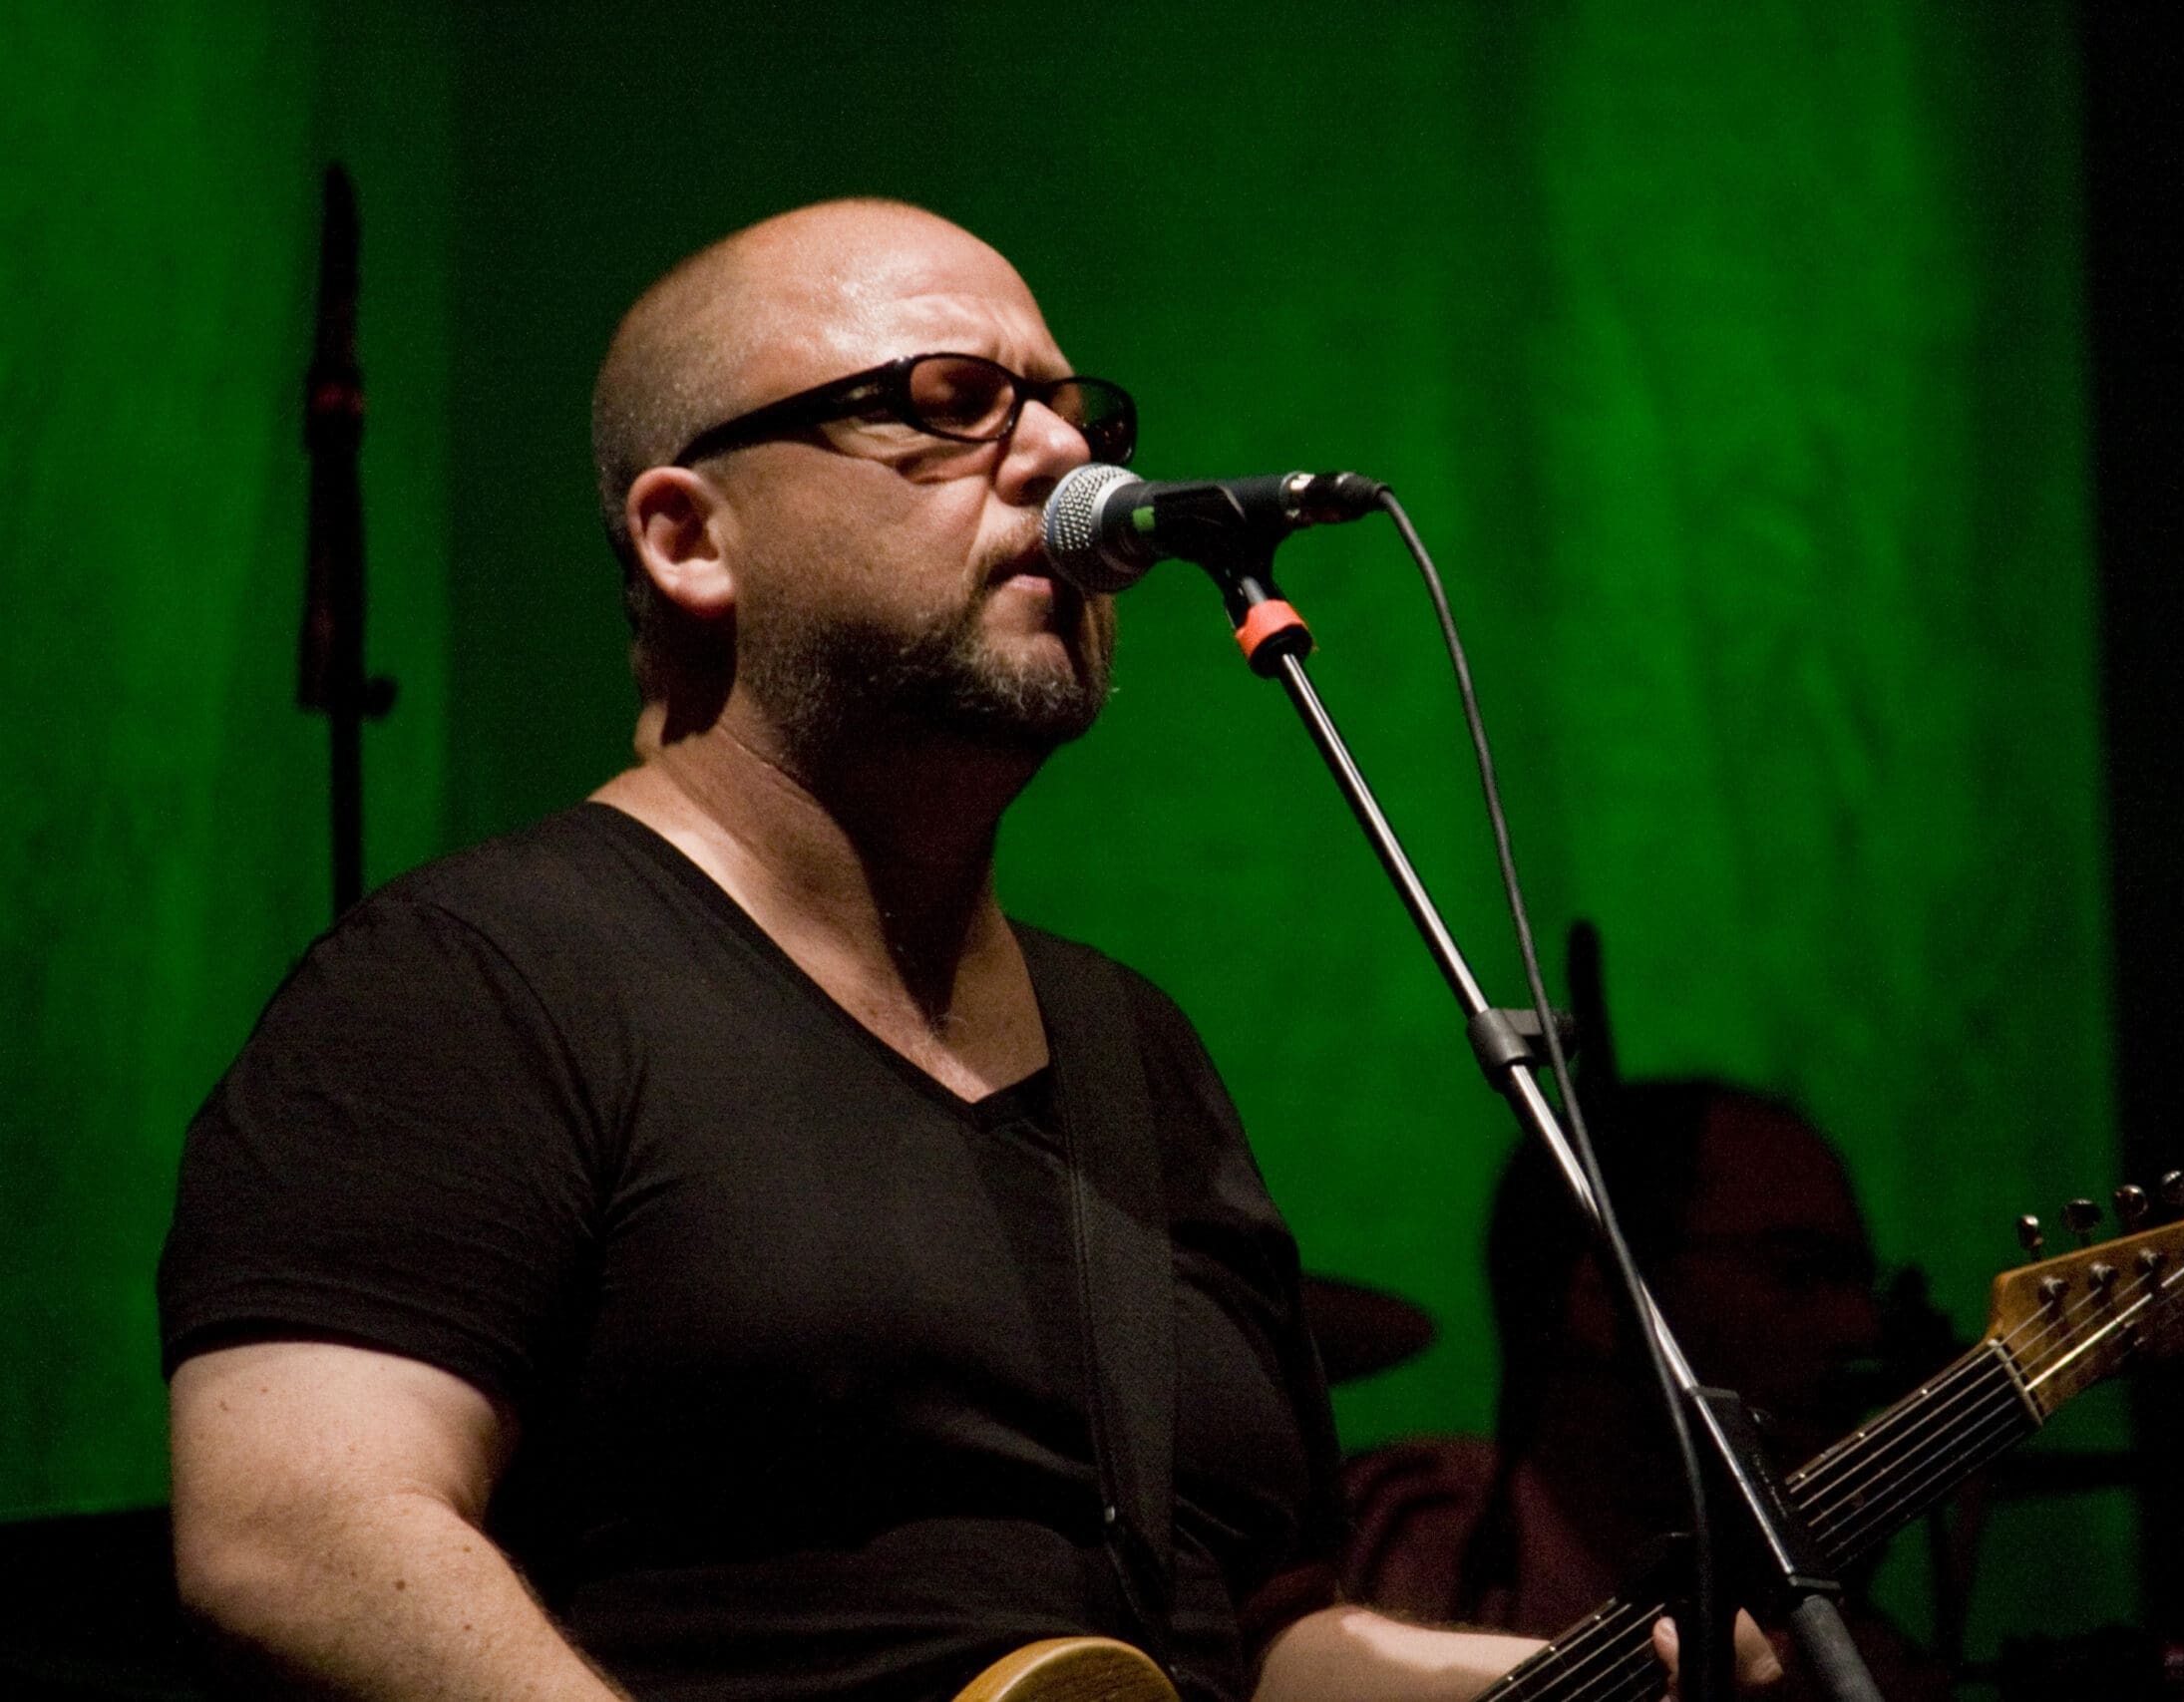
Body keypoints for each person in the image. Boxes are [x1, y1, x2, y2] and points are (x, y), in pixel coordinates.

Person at [158, 199, 1751, 1701]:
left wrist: (1575, 1672)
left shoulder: (1137, 1053)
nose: (1062, 453)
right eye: (945, 398)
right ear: (685, 535)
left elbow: (1250, 1639)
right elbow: (294, 1530)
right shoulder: (475, 985)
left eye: (1079, 412)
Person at [1341, 1081, 1955, 1702]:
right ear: (1603, 1296)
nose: (1860, 1327)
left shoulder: (1854, 1652)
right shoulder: (1407, 1528)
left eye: (1857, 1284)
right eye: (1794, 1271)